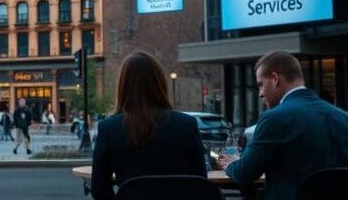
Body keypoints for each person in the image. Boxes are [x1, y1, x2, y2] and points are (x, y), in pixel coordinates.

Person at [220, 51, 348, 200]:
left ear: (275, 79)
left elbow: (244, 173)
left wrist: (231, 163)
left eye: (261, 84)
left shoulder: (274, 118)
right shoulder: (343, 117)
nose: (260, 93)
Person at [91, 52, 205, 200]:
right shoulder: (187, 125)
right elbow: (201, 181)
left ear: (123, 85)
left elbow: (99, 189)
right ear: (159, 83)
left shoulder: (109, 128)